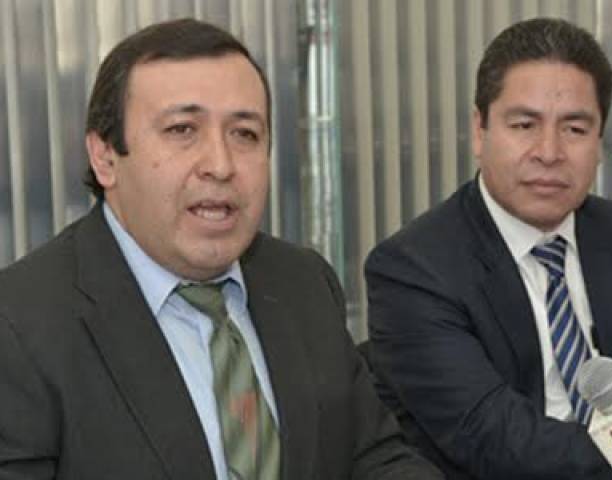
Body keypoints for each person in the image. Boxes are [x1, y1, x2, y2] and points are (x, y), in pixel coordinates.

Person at [0, 18, 442, 480]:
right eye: (182, 130)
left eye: (244, 134)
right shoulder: (20, 327)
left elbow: (375, 456)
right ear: (105, 157)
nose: (220, 164)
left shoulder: (302, 281)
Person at [365, 17, 612, 479]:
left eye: (575, 129)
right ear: (480, 130)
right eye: (524, 124)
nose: (549, 152)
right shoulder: (413, 270)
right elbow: (500, 444)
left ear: (600, 142)